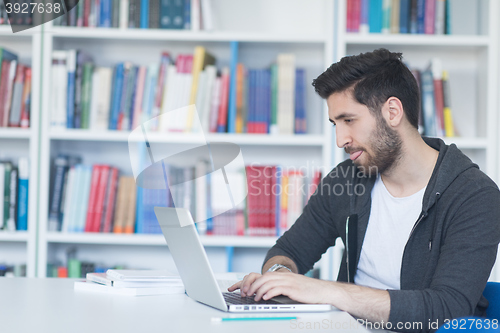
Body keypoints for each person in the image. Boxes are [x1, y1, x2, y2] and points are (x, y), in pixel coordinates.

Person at [229, 48, 500, 332]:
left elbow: (446, 309)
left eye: (349, 120)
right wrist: (279, 277)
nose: (340, 139)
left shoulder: (475, 197)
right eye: (335, 124)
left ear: (392, 112)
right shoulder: (346, 179)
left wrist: (328, 292)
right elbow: (289, 249)